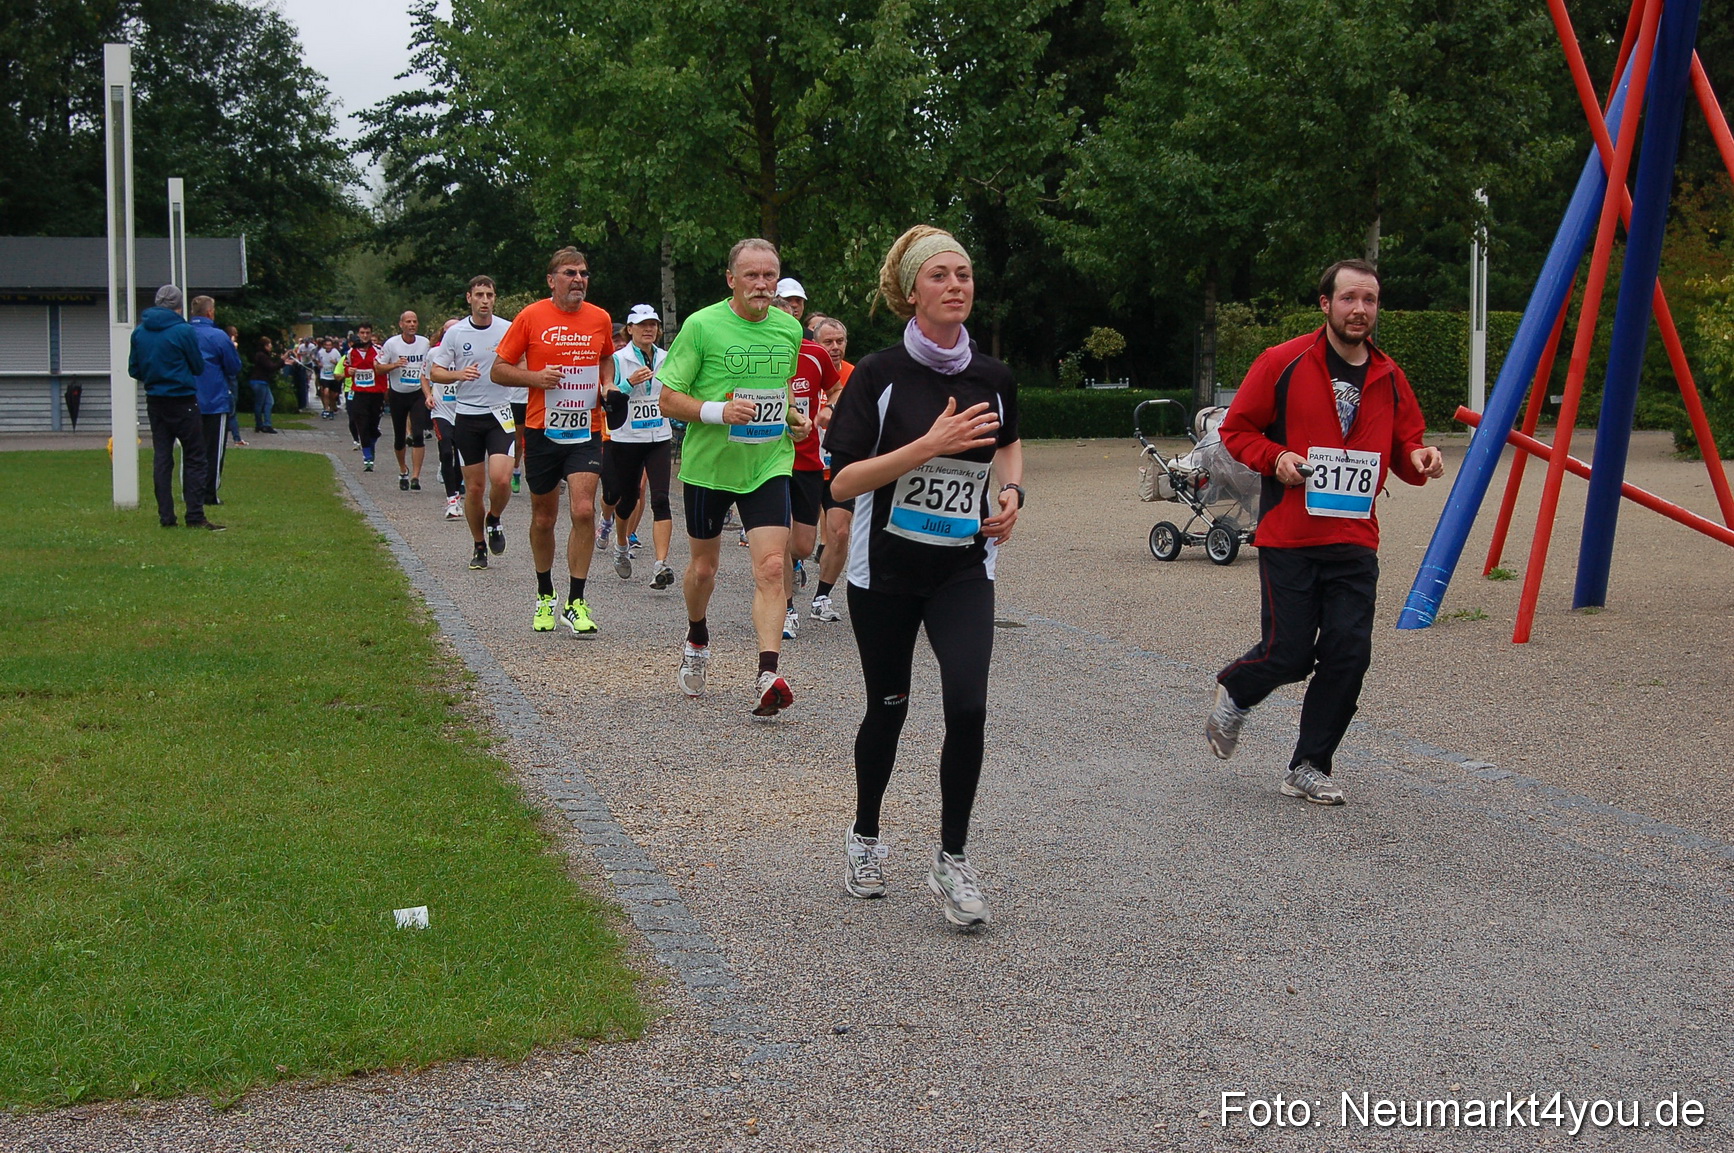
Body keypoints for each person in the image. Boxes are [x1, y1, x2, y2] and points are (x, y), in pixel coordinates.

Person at [824, 226, 1022, 929]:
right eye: (941, 275)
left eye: (965, 273)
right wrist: (925, 447)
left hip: (963, 566)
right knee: (890, 707)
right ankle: (866, 836)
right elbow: (842, 480)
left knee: (968, 705)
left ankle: (953, 857)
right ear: (913, 292)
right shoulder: (877, 375)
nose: (957, 285)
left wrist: (1011, 494)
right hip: (886, 574)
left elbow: (1008, 440)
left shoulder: (992, 376)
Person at [1205, 259, 1445, 806]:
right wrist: (1278, 457)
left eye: (1370, 300)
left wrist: (1422, 457)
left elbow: (1406, 448)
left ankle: (1310, 765)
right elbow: (1236, 431)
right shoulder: (1282, 362)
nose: (1360, 310)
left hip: (1354, 540)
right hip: (1290, 536)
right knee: (1289, 653)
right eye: (1349, 299)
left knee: (1348, 654)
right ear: (1325, 304)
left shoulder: (1389, 376)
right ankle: (1238, 689)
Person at [656, 238, 813, 717]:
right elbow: (668, 398)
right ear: (731, 279)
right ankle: (697, 634)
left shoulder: (788, 329)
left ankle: (768, 673)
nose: (762, 284)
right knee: (704, 569)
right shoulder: (702, 326)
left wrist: (792, 417)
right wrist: (718, 410)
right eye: (752, 275)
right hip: (710, 466)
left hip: (768, 462)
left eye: (769, 275)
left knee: (770, 566)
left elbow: (779, 390)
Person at [490, 248, 617, 634]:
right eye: (569, 273)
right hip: (543, 430)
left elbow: (606, 358)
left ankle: (575, 601)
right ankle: (545, 592)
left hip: (586, 431)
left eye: (584, 273)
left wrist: (607, 384)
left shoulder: (600, 318)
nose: (578, 279)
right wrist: (535, 379)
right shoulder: (531, 317)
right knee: (544, 518)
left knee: (582, 510)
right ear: (552, 280)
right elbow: (498, 370)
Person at [768, 295, 840, 640]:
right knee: (777, 537)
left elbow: (837, 388)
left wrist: (828, 410)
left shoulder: (815, 354)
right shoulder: (758, 356)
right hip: (767, 460)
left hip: (808, 459)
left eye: (788, 324)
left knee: (802, 545)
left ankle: (791, 566)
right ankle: (786, 609)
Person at [430, 277, 514, 568]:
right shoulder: (456, 333)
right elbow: (435, 372)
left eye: (489, 294)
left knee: (502, 479)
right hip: (467, 416)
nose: (485, 300)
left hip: (500, 413)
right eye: (479, 294)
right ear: (469, 298)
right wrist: (458, 375)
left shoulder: (507, 329)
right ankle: (479, 545)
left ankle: (494, 518)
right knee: (475, 488)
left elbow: (523, 361)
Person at [131, 284, 223, 531]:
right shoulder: (183, 331)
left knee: (162, 456)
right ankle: (195, 515)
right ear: (178, 306)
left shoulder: (140, 332)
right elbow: (197, 366)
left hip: (155, 400)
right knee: (195, 456)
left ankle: (166, 516)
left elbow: (134, 369)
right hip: (183, 399)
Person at [603, 304, 677, 590]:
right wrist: (627, 383)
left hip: (658, 436)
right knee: (627, 499)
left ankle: (661, 564)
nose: (649, 329)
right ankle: (621, 543)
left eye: (653, 325)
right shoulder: (618, 358)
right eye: (643, 325)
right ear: (629, 329)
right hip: (626, 438)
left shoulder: (667, 359)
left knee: (660, 498)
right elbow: (606, 394)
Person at [809, 315, 854, 622]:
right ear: (815, 344)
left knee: (839, 532)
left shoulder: (856, 374)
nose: (835, 348)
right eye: (828, 342)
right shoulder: (805, 369)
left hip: (839, 466)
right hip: (804, 463)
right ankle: (785, 599)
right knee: (795, 541)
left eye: (840, 342)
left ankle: (822, 596)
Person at [188, 295, 241, 506]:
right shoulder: (219, 337)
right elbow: (234, 367)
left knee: (190, 449)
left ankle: (189, 491)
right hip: (214, 399)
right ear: (210, 312)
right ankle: (209, 493)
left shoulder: (183, 334)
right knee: (213, 450)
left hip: (187, 398)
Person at [380, 311, 433, 491]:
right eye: (408, 321)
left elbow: (431, 363)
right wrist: (394, 364)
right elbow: (378, 367)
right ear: (401, 324)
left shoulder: (424, 343)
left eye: (415, 321)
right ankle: (403, 469)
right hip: (397, 393)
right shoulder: (392, 344)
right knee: (399, 437)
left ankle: (415, 476)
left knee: (418, 434)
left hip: (417, 392)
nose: (412, 324)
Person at [424, 317, 467, 519]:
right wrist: (428, 395)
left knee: (460, 455)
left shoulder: (467, 353)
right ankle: (451, 499)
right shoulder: (434, 353)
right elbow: (424, 376)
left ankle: (457, 491)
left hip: (463, 410)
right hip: (441, 410)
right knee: (446, 451)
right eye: (448, 330)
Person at [344, 323, 387, 469]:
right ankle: (367, 455)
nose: (364, 335)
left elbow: (384, 368)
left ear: (371, 334)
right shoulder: (351, 352)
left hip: (376, 393)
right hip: (359, 392)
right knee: (360, 422)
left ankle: (373, 437)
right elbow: (345, 367)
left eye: (367, 333)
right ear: (358, 334)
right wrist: (349, 371)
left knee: (373, 424)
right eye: (362, 333)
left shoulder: (379, 351)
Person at [248, 337, 281, 434]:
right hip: (259, 382)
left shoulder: (262, 355)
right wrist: (282, 361)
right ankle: (261, 424)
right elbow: (271, 367)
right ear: (265, 345)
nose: (271, 346)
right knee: (260, 403)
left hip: (262, 382)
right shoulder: (262, 356)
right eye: (269, 344)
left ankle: (266, 424)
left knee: (269, 402)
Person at [315, 337, 343, 418]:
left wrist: (335, 362)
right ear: (324, 346)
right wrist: (318, 364)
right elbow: (316, 360)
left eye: (330, 345)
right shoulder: (321, 352)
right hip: (324, 376)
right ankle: (326, 409)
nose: (328, 347)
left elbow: (341, 363)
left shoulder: (336, 353)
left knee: (333, 395)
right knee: (325, 392)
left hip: (333, 376)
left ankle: (331, 408)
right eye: (326, 345)